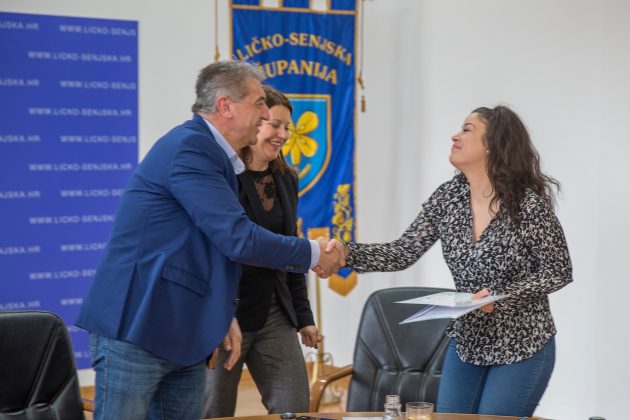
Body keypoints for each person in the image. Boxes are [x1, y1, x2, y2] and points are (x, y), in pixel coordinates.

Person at [75, 61, 343, 420]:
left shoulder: (216, 157)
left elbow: (211, 246)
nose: (266, 114)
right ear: (225, 106)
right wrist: (314, 252)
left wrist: (219, 312)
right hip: (139, 324)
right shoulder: (191, 149)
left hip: (185, 330)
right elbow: (237, 239)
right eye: (259, 104)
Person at [322, 105, 572, 417]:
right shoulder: (448, 197)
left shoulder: (527, 206)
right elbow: (403, 251)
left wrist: (499, 298)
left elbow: (558, 271)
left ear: (492, 144)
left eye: (467, 129)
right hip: (467, 342)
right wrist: (346, 253)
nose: (455, 135)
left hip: (523, 345)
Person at [203, 86, 321, 417]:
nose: (283, 134)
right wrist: (215, 313)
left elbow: (291, 248)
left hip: (274, 312)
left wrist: (303, 316)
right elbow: (214, 250)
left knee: (294, 408)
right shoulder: (221, 176)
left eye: (287, 127)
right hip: (225, 313)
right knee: (214, 412)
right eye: (275, 125)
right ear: (255, 122)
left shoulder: (287, 178)